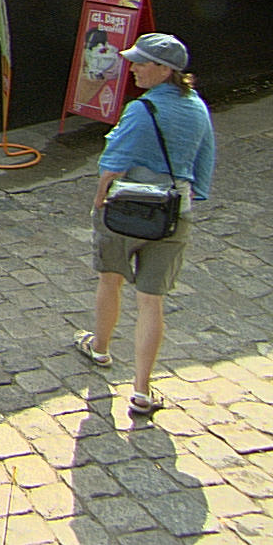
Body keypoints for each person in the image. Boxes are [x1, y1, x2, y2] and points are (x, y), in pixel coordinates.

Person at [75, 32, 216, 416]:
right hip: (172, 216)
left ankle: (100, 348)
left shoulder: (141, 110)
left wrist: (99, 199)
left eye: (141, 62)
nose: (133, 68)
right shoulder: (198, 109)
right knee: (152, 301)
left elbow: (112, 165)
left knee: (110, 280)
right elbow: (203, 165)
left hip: (125, 212)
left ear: (164, 70)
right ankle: (141, 389)